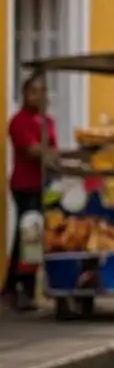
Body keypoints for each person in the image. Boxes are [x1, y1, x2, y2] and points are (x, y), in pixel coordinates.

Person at [4, 74, 56, 311]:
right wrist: (49, 154)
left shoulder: (48, 121)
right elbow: (33, 151)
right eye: (33, 92)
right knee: (29, 236)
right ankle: (21, 287)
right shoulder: (19, 121)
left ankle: (18, 286)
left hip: (45, 185)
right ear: (24, 94)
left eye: (41, 92)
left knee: (31, 236)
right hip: (25, 185)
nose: (38, 96)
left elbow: (52, 150)